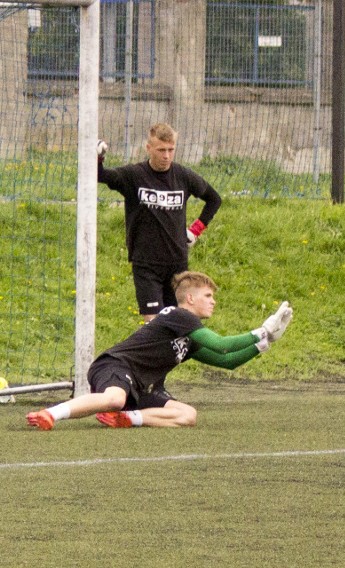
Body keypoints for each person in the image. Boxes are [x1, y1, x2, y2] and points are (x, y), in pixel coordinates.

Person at [26, 271, 292, 430]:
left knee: (188, 415)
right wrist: (261, 329)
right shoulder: (179, 315)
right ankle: (50, 414)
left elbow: (228, 360)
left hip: (140, 388)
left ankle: (128, 419)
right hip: (115, 366)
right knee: (115, 397)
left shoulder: (189, 333)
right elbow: (222, 345)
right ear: (190, 298)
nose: (214, 302)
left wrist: (264, 344)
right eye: (208, 296)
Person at [98, 123, 223, 323]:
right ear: (149, 148)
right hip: (146, 264)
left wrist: (195, 231)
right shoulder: (134, 176)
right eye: (161, 150)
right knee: (153, 325)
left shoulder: (183, 176)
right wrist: (98, 157)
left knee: (177, 325)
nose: (166, 156)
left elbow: (214, 199)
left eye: (171, 150)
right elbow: (99, 175)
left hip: (177, 264)